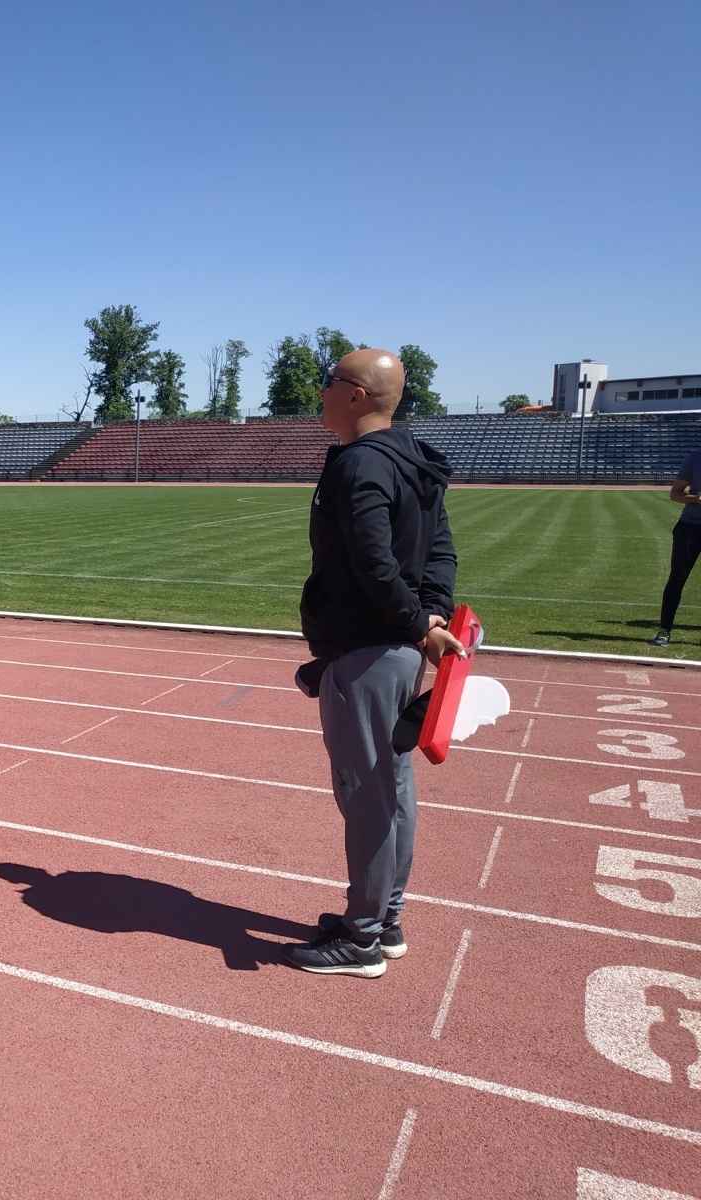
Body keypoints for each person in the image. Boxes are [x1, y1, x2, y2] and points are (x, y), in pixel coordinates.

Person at [282, 349, 463, 979]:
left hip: (368, 653)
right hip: (394, 650)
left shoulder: (360, 463)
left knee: (368, 797)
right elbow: (440, 553)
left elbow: (372, 561)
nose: (321, 391)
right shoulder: (412, 458)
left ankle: (362, 939)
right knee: (393, 788)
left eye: (329, 381)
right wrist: (430, 619)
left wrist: (418, 624)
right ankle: (383, 919)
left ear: (356, 395)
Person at [649, 456, 701, 647]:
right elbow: (675, 493)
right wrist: (694, 499)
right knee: (677, 578)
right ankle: (664, 630)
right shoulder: (694, 460)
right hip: (690, 527)